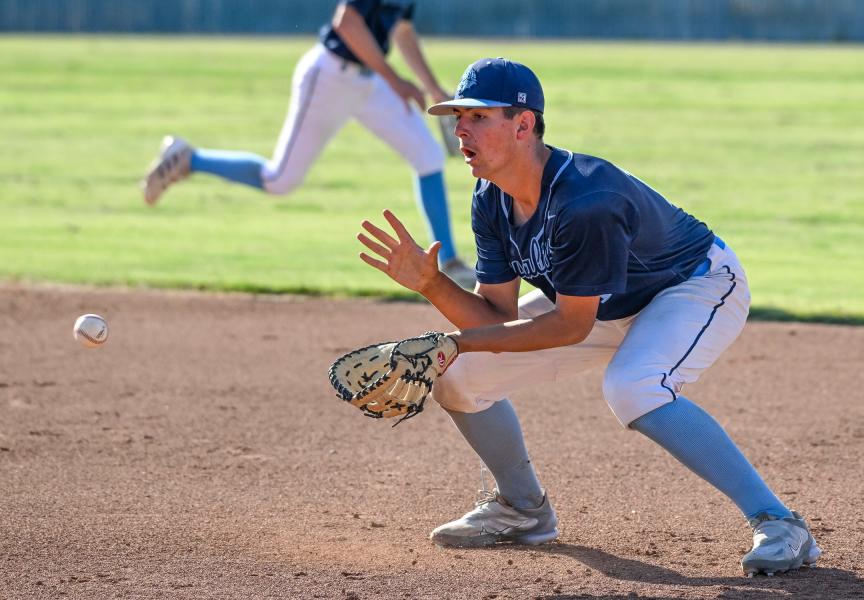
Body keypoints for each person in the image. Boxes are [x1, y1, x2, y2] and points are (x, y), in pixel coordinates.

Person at [356, 57, 821, 577]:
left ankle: (780, 523)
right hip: (597, 303)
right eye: (458, 117)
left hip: (692, 286)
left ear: (524, 124)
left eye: (478, 117)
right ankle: (522, 511)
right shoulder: (492, 197)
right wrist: (431, 285)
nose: (460, 128)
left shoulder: (586, 200)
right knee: (459, 378)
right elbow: (495, 315)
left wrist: (459, 342)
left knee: (634, 386)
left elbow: (569, 328)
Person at [140, 0, 475, 288]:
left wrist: (431, 86)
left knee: (428, 156)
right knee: (279, 180)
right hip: (328, 77)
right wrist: (396, 80)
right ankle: (188, 158)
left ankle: (448, 263)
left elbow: (401, 29)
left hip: (367, 82)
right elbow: (347, 23)